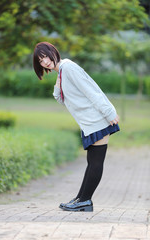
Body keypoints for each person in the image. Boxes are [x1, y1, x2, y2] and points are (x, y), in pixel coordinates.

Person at [33, 42, 120, 212]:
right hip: (89, 122)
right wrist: (58, 78)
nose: (45, 62)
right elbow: (60, 98)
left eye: (45, 57)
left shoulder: (68, 67)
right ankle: (81, 198)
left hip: (98, 120)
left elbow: (91, 90)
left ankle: (85, 200)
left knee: (95, 163)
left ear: (53, 52)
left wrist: (109, 113)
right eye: (40, 61)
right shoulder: (63, 71)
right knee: (91, 162)